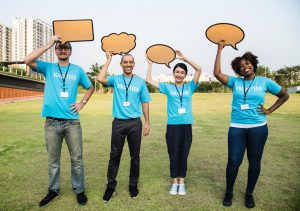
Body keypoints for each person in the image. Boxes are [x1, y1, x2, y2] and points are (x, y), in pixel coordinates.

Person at [213, 41, 289, 208]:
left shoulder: (264, 82)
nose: (244, 67)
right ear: (238, 69)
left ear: (253, 65)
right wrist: (219, 50)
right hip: (237, 128)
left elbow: (284, 95)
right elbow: (217, 73)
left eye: (247, 63)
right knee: (234, 161)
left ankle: (249, 194)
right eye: (241, 65)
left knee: (254, 161)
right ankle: (229, 191)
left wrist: (269, 110)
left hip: (258, 128)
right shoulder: (236, 82)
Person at [24, 35, 94, 207]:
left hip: (72, 122)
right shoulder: (48, 67)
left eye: (66, 47)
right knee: (53, 161)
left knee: (77, 159)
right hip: (52, 122)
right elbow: (28, 60)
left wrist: (82, 103)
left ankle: (79, 190)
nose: (63, 50)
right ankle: (53, 191)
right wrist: (49, 42)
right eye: (60, 47)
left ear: (70, 51)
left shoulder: (77, 70)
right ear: (56, 50)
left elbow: (90, 87)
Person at [97, 50, 151, 202]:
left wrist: (147, 122)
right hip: (119, 123)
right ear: (121, 64)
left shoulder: (140, 81)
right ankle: (110, 186)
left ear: (134, 64)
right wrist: (108, 60)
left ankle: (133, 185)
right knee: (114, 156)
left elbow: (145, 102)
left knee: (135, 157)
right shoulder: (116, 79)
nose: (128, 64)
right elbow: (100, 78)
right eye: (125, 62)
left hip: (135, 122)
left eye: (130, 62)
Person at [146, 50, 202, 195]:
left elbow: (199, 69)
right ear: (173, 73)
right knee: (173, 154)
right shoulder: (168, 87)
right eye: (177, 72)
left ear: (185, 75)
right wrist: (150, 64)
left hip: (186, 125)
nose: (179, 74)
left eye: (182, 72)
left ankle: (182, 182)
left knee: (184, 154)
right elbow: (149, 80)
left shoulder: (190, 87)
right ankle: (174, 183)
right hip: (172, 126)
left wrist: (185, 58)